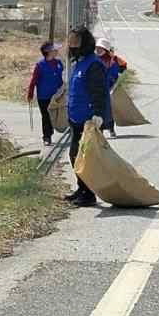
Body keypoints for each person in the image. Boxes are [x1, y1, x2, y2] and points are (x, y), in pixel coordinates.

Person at [64, 26, 109, 208]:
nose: (72, 46)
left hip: (89, 120)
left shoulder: (94, 64)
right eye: (71, 42)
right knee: (75, 155)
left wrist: (98, 114)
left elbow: (99, 92)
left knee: (84, 157)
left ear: (85, 43)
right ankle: (81, 188)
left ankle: (89, 193)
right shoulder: (79, 63)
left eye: (76, 42)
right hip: (76, 119)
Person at [24, 41, 65, 145]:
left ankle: (56, 130)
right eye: (54, 50)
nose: (56, 51)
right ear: (48, 52)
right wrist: (30, 94)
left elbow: (61, 79)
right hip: (43, 96)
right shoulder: (40, 65)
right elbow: (33, 80)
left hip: (56, 96)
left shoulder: (59, 63)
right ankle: (47, 137)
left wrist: (63, 90)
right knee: (46, 116)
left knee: (55, 114)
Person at [96, 37, 128, 140]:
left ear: (105, 49)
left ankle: (111, 129)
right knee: (98, 111)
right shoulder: (94, 60)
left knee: (108, 111)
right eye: (97, 48)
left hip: (110, 89)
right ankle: (99, 131)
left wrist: (117, 79)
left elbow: (123, 67)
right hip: (97, 89)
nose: (98, 50)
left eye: (100, 48)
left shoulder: (113, 60)